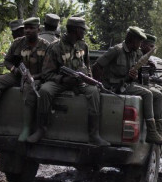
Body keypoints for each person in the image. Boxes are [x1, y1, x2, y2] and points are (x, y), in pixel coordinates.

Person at [27, 17, 109, 146]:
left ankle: (94, 134)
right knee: (45, 90)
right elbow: (47, 73)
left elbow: (87, 67)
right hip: (61, 81)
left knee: (94, 92)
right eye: (83, 30)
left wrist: (89, 80)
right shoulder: (55, 47)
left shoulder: (83, 45)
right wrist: (63, 79)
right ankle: (41, 129)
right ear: (76, 30)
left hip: (80, 82)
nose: (84, 33)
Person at [92, 26, 162, 144]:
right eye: (139, 41)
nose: (140, 44)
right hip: (113, 87)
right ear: (132, 39)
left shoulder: (134, 53)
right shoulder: (116, 50)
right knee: (147, 93)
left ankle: (158, 131)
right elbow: (96, 67)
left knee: (158, 95)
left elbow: (134, 70)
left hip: (125, 85)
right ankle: (151, 132)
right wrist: (100, 86)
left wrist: (134, 74)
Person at [0, 17, 49, 134]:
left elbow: (49, 69)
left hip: (37, 78)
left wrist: (34, 77)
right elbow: (7, 61)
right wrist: (15, 69)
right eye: (26, 28)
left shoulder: (46, 46)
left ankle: (26, 129)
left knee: (29, 90)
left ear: (38, 30)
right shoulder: (18, 43)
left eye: (31, 28)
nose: (28, 31)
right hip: (18, 76)